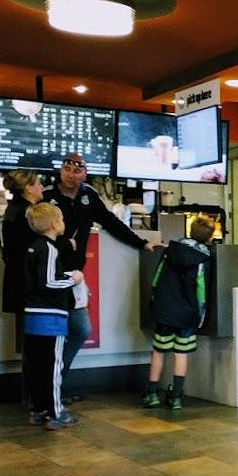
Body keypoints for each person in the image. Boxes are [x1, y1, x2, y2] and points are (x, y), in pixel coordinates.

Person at [44, 153, 154, 398]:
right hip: (50, 273)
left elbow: (111, 223)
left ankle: (54, 386)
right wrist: (63, 243)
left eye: (77, 171)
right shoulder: (47, 195)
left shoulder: (88, 196)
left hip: (75, 276)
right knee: (48, 337)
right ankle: (45, 393)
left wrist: (142, 243)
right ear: (60, 171)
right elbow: (35, 228)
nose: (71, 175)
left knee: (80, 330)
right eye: (67, 169)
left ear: (85, 174)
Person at [141, 215, 214, 411]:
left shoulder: (170, 251)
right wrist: (200, 314)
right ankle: (176, 397)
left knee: (159, 351)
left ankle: (151, 393)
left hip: (165, 309)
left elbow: (156, 278)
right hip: (187, 313)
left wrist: (154, 302)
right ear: (209, 238)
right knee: (181, 353)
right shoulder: (203, 258)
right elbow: (201, 289)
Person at [22, 203, 82, 430]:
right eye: (62, 220)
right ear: (55, 224)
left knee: (36, 366)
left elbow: (40, 278)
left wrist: (63, 275)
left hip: (32, 317)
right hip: (51, 318)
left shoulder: (33, 248)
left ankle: (38, 410)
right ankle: (56, 412)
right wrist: (73, 279)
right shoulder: (50, 249)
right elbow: (49, 282)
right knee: (53, 366)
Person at [0, 169, 45, 405]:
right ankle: (36, 396)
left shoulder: (11, 211)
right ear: (28, 188)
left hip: (17, 282)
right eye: (38, 183)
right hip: (30, 285)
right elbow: (38, 250)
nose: (42, 187)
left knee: (29, 341)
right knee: (35, 343)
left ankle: (32, 395)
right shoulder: (29, 215)